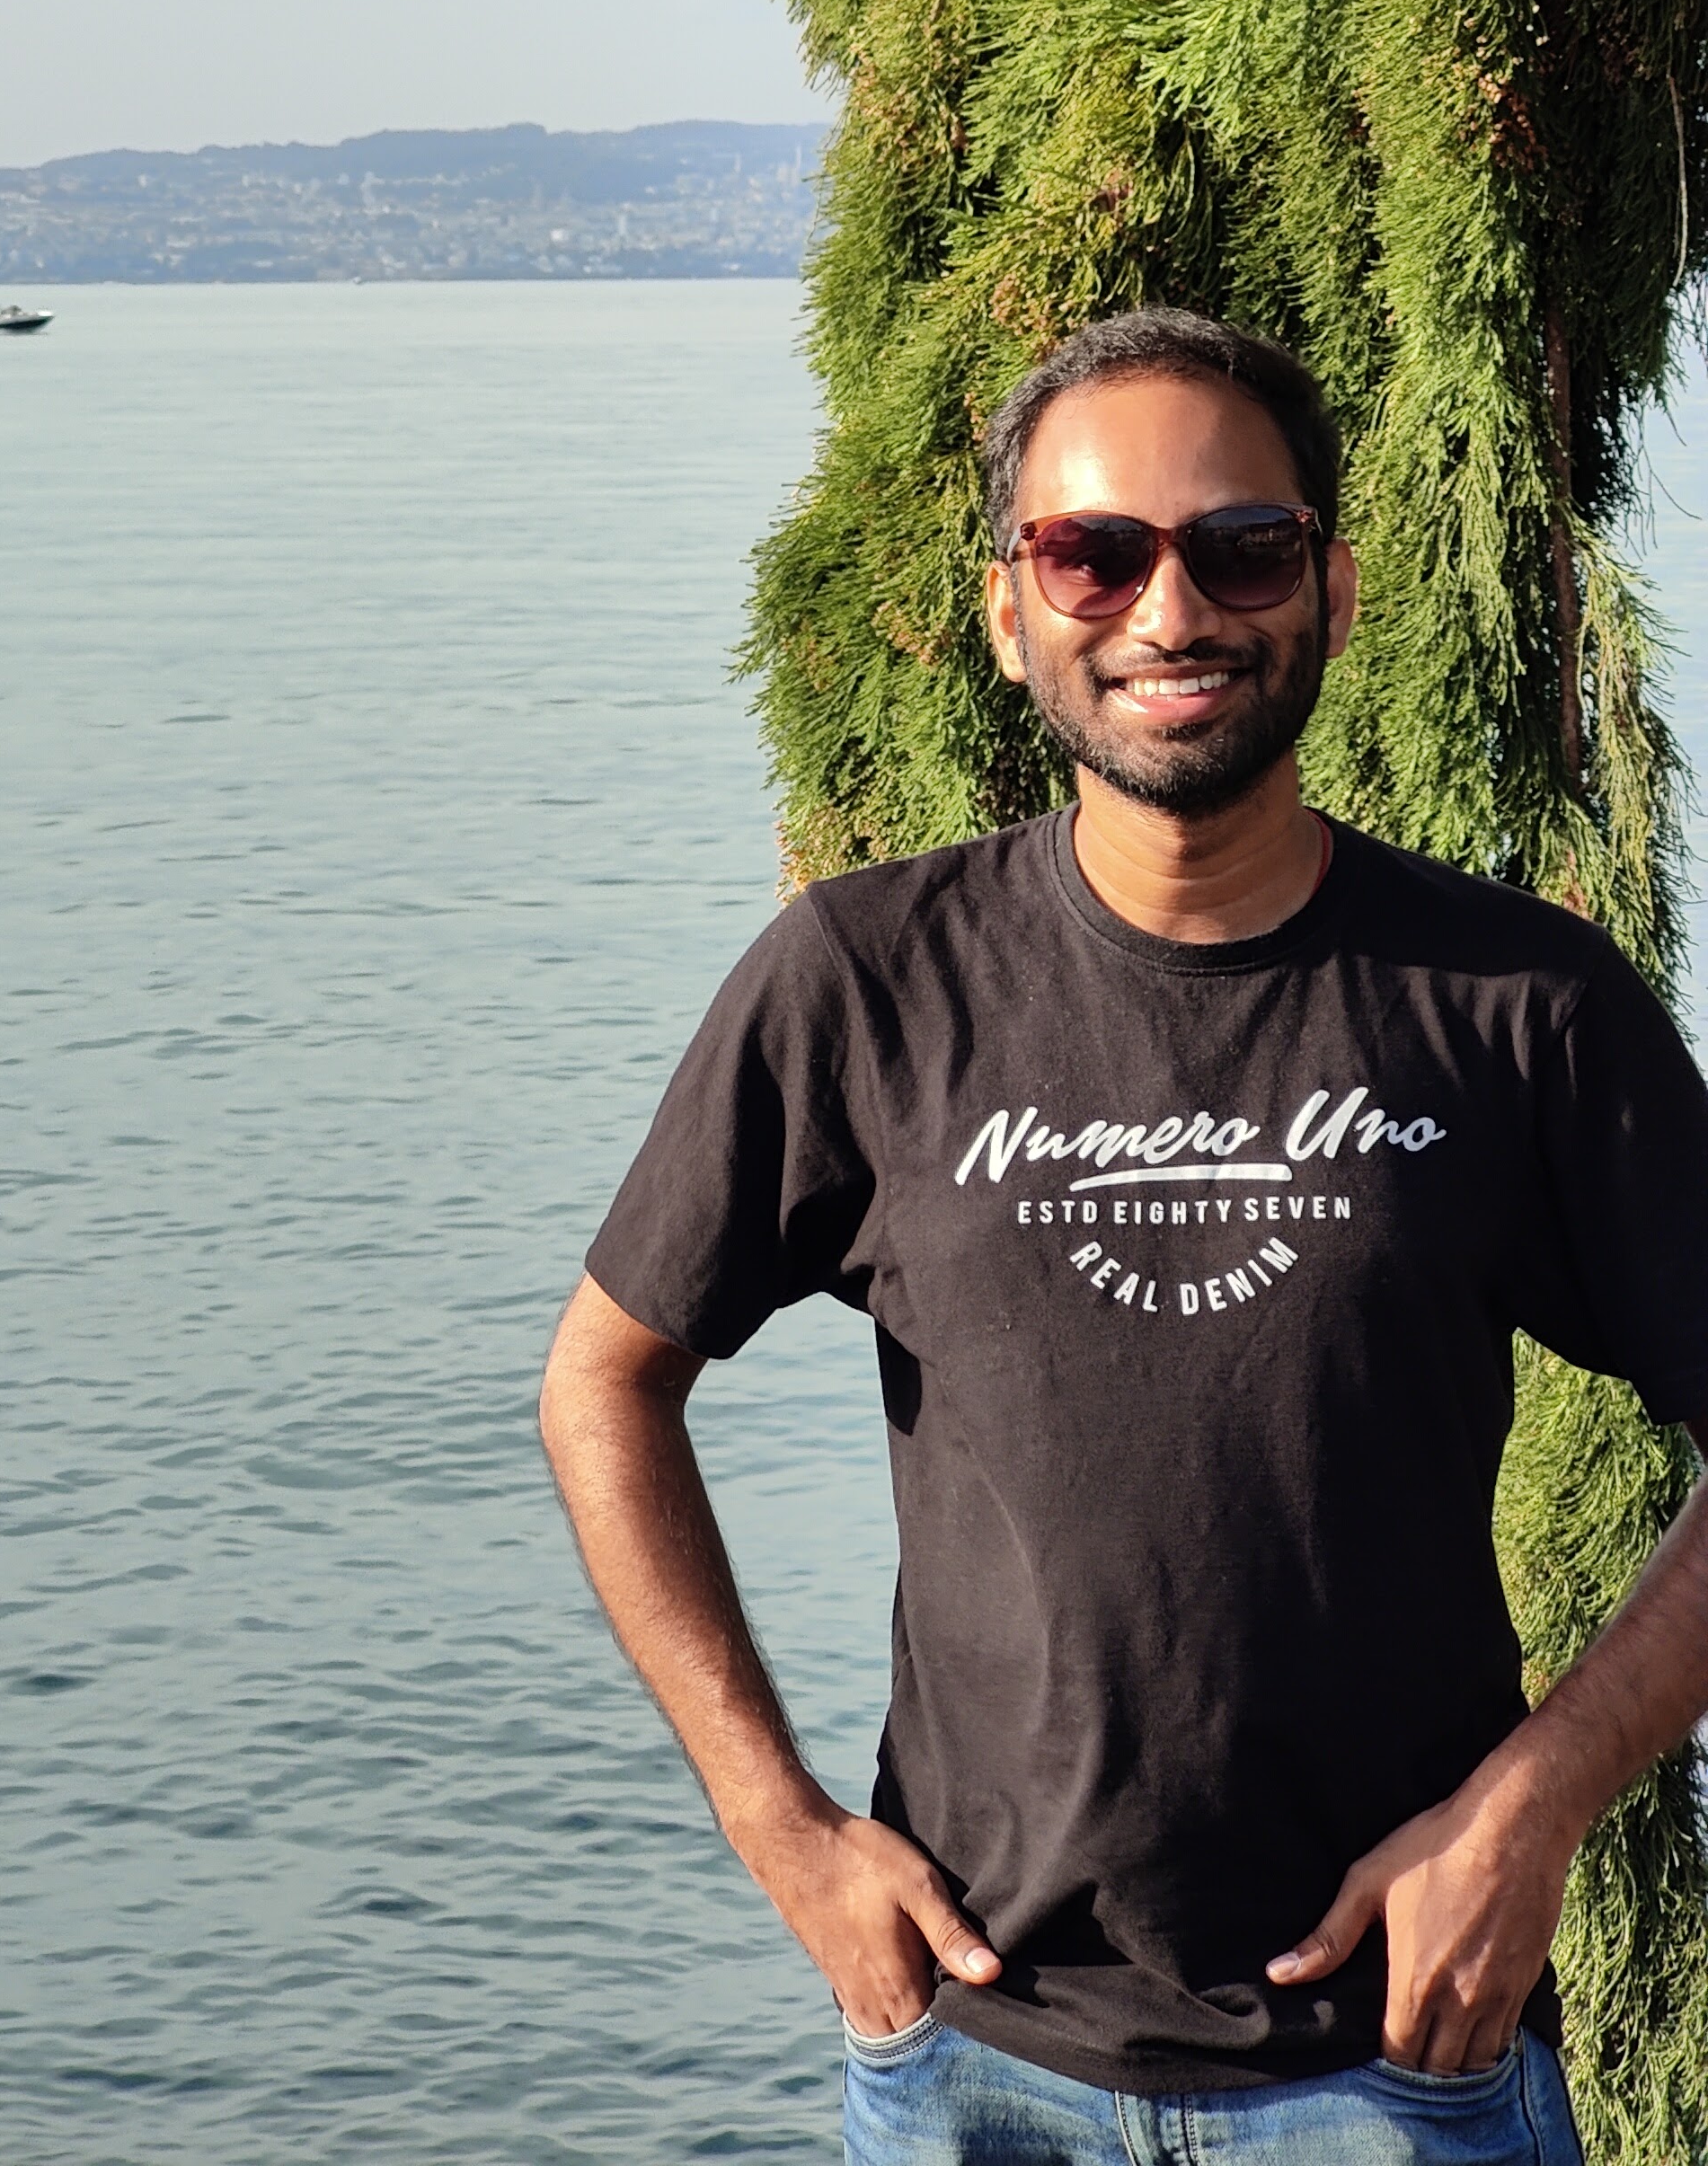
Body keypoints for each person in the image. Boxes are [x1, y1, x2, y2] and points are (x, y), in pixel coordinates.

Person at [540, 308, 1708, 2164]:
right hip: (974, 2067)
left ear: (1328, 590)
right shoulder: (863, 984)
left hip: (1405, 2074)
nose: (1172, 611)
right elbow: (604, 1383)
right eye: (1095, 553)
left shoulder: (1516, 1009)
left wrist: (1535, 1805)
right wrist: (783, 1830)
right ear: (1013, 610)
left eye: (1242, 547)